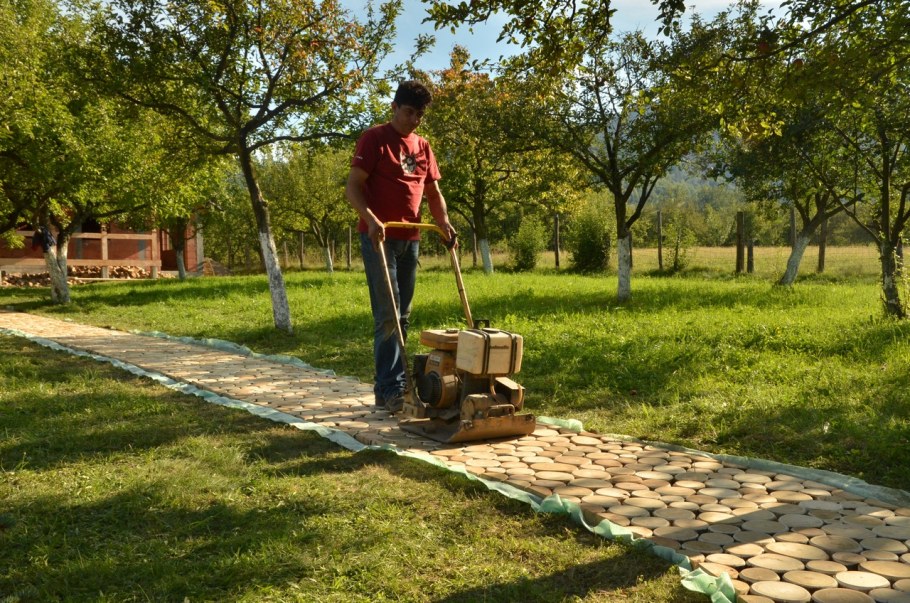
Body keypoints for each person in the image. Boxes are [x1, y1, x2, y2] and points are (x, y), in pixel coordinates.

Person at [345, 80, 456, 413]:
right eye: (409, 112)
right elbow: (352, 188)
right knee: (388, 317)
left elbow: (434, 194)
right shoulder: (375, 139)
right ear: (394, 108)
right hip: (379, 237)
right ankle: (391, 390)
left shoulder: (423, 146)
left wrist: (444, 222)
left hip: (411, 238)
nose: (414, 120)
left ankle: (396, 386)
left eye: (420, 114)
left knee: (402, 316)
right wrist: (371, 218)